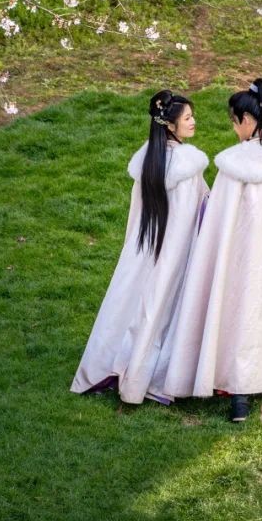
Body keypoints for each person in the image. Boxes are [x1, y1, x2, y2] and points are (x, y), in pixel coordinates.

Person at [153, 77, 262, 422]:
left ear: (246, 121)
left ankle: (240, 396)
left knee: (240, 313)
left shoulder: (235, 166)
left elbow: (218, 219)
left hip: (243, 260)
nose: (234, 130)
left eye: (234, 123)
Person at [71, 90, 209, 406]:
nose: (193, 122)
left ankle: (114, 359)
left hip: (145, 247)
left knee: (134, 300)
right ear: (171, 126)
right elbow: (191, 214)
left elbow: (138, 214)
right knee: (160, 306)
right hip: (173, 250)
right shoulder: (186, 165)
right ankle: (149, 371)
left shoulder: (149, 158)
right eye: (187, 117)